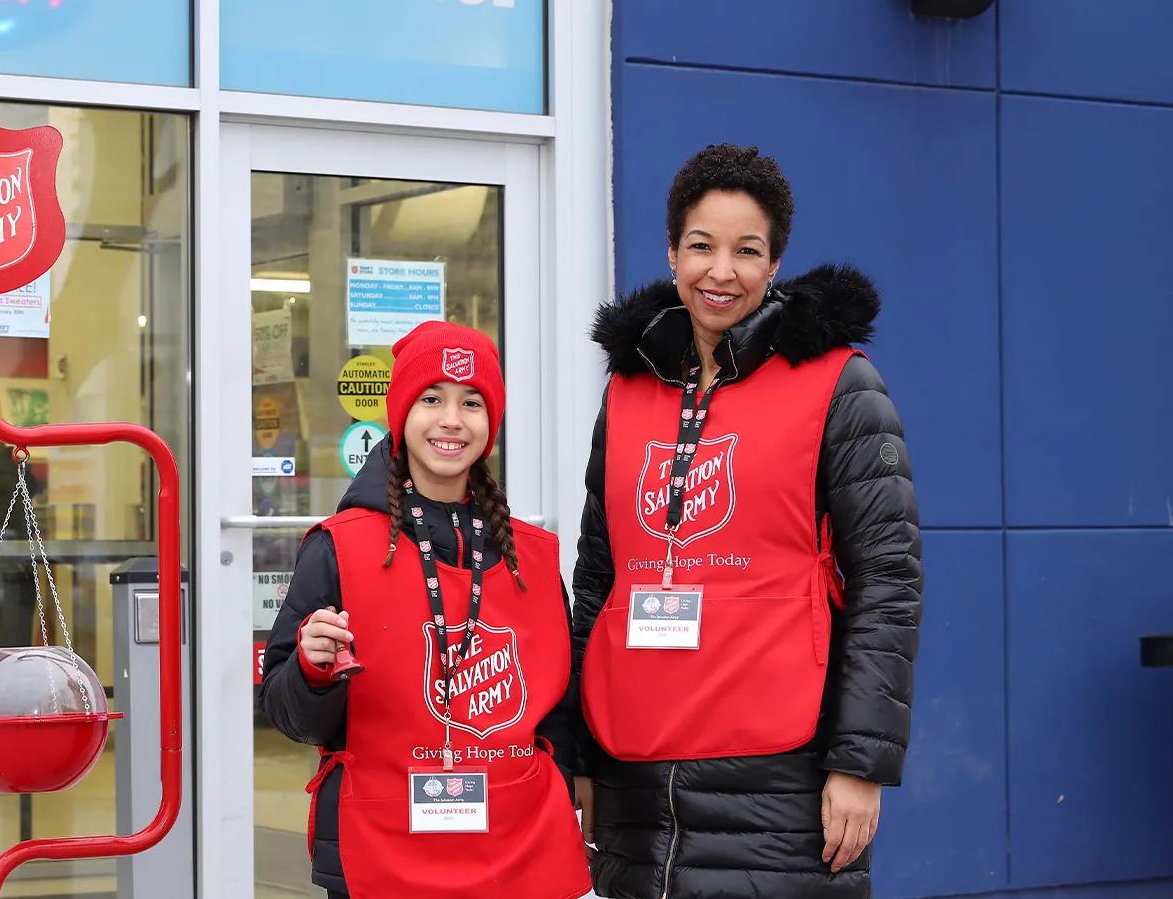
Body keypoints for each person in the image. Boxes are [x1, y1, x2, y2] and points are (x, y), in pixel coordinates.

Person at [572, 144, 923, 898]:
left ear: (774, 265)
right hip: (635, 769)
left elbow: (887, 583)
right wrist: (578, 750)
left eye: (746, 251)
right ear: (672, 254)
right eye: (701, 246)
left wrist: (859, 764)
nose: (720, 271)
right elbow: (598, 579)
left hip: (779, 773)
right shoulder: (627, 393)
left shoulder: (840, 384)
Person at [260, 321, 591, 899]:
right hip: (382, 840)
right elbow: (289, 717)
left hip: (518, 842)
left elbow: (557, 709)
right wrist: (313, 671)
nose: (451, 420)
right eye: (431, 399)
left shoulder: (532, 557)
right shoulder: (338, 546)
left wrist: (567, 782)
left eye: (472, 403)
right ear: (400, 414)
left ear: (491, 425)